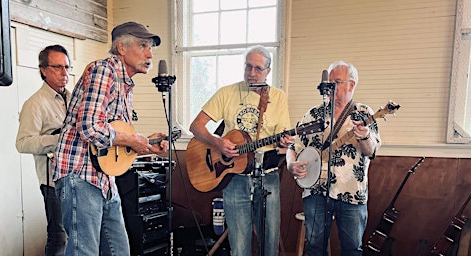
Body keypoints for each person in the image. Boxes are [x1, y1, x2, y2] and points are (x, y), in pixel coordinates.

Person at [52, 22, 168, 255]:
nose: (150, 53)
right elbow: (89, 127)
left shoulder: (125, 83)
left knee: (119, 251)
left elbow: (114, 135)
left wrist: (143, 143)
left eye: (151, 47)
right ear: (121, 47)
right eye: (143, 45)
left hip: (104, 180)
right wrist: (132, 140)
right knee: (83, 251)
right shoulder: (104, 71)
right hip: (81, 175)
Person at [189, 45, 295, 256]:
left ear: (268, 71)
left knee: (270, 243)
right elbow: (196, 126)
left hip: (268, 176)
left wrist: (284, 143)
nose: (251, 73)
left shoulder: (278, 97)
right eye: (248, 67)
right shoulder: (227, 93)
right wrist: (218, 143)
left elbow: (282, 141)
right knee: (239, 246)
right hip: (234, 177)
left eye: (257, 68)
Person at [286, 60, 381, 256]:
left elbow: (371, 151)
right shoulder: (313, 113)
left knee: (352, 249)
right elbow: (294, 146)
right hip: (316, 191)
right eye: (329, 82)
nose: (330, 87)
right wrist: (290, 164)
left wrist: (363, 136)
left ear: (351, 85)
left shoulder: (364, 113)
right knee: (314, 248)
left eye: (337, 82)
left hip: (352, 192)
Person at [15, 44, 71, 256]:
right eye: (57, 67)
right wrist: (59, 140)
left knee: (76, 235)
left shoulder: (72, 98)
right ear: (43, 70)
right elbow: (23, 143)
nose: (64, 73)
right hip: (53, 183)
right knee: (59, 237)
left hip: (76, 178)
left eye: (66, 67)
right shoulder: (35, 104)